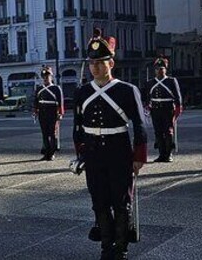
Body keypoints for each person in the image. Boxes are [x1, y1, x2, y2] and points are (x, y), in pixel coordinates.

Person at [73, 30, 147, 260]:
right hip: (94, 155)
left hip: (119, 153)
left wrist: (138, 157)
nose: (95, 67)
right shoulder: (82, 92)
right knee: (99, 203)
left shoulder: (127, 90)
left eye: (100, 62)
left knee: (121, 203)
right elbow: (78, 128)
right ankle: (106, 247)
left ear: (111, 63)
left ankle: (121, 248)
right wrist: (81, 155)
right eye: (92, 62)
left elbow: (140, 125)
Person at [142, 58, 182, 162]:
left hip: (167, 108)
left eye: (162, 68)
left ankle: (168, 154)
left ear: (165, 69)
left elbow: (178, 96)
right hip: (155, 109)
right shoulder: (150, 82)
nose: (159, 70)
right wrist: (146, 106)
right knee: (158, 132)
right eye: (157, 69)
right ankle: (161, 154)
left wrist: (178, 107)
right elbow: (146, 97)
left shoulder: (171, 81)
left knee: (168, 131)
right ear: (154, 70)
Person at [33, 65, 64, 161]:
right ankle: (46, 153)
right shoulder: (39, 89)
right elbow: (36, 101)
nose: (46, 78)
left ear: (51, 76)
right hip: (42, 113)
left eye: (47, 76)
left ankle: (52, 153)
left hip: (52, 113)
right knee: (45, 134)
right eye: (44, 76)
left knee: (53, 134)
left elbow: (61, 101)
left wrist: (60, 113)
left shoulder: (56, 88)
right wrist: (35, 111)